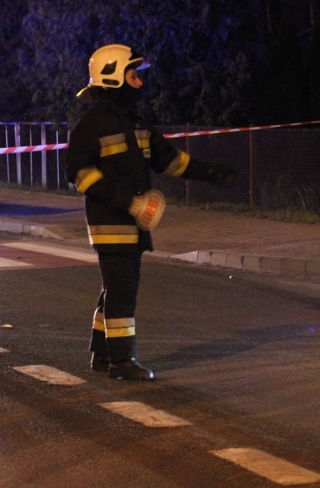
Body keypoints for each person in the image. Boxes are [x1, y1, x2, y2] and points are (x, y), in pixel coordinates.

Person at [66, 44, 237, 381]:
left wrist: (211, 173)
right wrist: (127, 201)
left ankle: (102, 355)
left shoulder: (136, 124)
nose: (140, 82)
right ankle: (122, 360)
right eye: (133, 75)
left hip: (133, 223)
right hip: (111, 224)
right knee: (122, 291)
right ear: (114, 78)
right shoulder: (91, 126)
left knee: (115, 289)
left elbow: (169, 159)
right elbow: (80, 174)